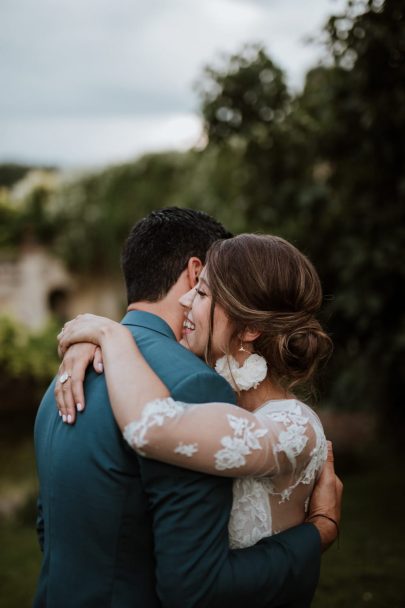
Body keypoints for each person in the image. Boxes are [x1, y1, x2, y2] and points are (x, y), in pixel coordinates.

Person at [35, 208, 342, 608]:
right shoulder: (186, 381)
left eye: (202, 293)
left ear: (249, 329)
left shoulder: (290, 424)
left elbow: (151, 425)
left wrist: (112, 333)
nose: (186, 297)